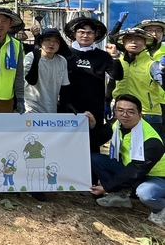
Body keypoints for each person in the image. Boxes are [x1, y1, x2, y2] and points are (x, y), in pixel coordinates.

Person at [88, 94, 165, 225]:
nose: (124, 115)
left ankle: (160, 209)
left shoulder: (152, 141)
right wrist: (93, 126)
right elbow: (97, 140)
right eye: (120, 110)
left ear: (140, 115)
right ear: (115, 111)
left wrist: (106, 187)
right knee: (95, 158)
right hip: (131, 168)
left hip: (157, 177)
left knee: (145, 193)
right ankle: (119, 196)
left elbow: (135, 171)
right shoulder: (117, 124)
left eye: (130, 111)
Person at [63, 16, 116, 152]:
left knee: (91, 145)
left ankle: (92, 173)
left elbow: (117, 75)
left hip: (94, 108)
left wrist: (114, 57)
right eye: (81, 32)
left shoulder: (103, 56)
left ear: (95, 35)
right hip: (68, 106)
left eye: (90, 32)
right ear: (74, 34)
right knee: (67, 145)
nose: (85, 35)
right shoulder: (64, 55)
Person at [112, 28, 163, 137]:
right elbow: (111, 82)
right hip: (122, 113)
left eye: (138, 39)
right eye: (129, 38)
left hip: (148, 114)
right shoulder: (118, 61)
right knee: (122, 149)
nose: (134, 42)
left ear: (145, 43)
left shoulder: (152, 64)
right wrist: (107, 102)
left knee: (150, 150)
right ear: (123, 42)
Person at [23, 28, 74, 114]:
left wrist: (67, 104)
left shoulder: (62, 61)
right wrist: (36, 60)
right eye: (48, 40)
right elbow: (31, 80)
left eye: (56, 41)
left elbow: (64, 86)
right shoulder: (30, 57)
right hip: (31, 108)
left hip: (51, 108)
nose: (51, 43)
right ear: (41, 42)